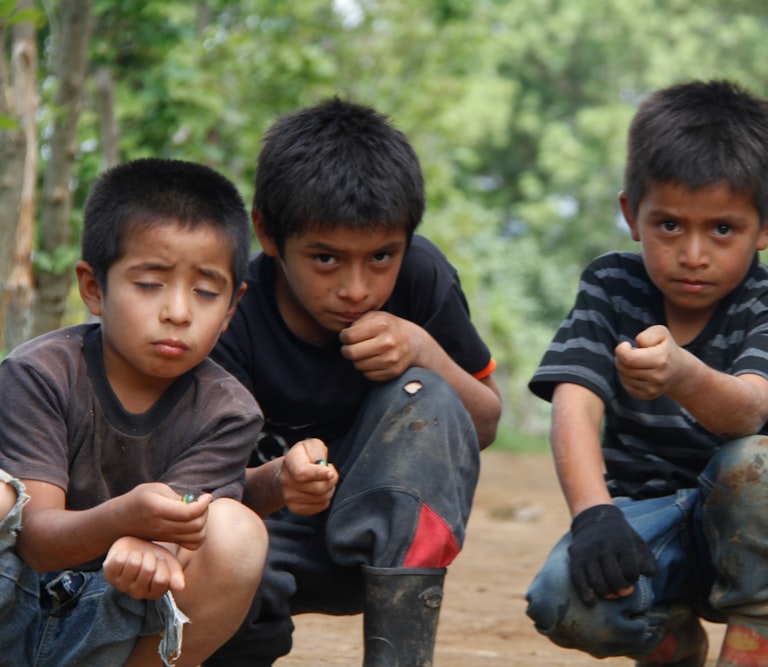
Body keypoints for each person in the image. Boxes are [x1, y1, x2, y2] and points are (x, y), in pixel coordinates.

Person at [524, 80, 768, 667]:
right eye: (669, 226)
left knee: (759, 463)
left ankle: (759, 633)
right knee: (558, 600)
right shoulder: (612, 286)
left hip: (749, 533)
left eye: (722, 229)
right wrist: (594, 517)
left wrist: (682, 373)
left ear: (767, 226)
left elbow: (748, 411)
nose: (692, 254)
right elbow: (575, 398)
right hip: (647, 524)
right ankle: (672, 642)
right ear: (631, 215)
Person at [205, 97, 502, 666]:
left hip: (377, 552)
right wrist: (276, 483)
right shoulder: (227, 302)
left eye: (382, 257)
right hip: (255, 540)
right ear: (267, 234)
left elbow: (484, 421)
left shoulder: (421, 278)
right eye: (325, 259)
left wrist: (424, 350)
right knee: (216, 555)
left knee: (430, 393)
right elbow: (194, 479)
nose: (357, 289)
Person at [0, 158, 269, 666]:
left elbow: (181, 530)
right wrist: (123, 518)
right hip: (16, 602)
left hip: (116, 619)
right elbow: (35, 540)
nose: (178, 312)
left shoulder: (229, 413)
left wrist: (159, 552)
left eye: (207, 292)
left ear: (232, 307)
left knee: (237, 532)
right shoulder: (37, 373)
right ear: (93, 287)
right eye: (149, 284)